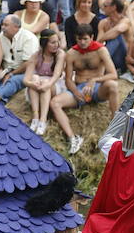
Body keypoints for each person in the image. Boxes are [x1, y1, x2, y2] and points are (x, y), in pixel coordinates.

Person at [50, 24, 119, 155]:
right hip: (80, 89)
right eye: (79, 39)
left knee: (113, 86)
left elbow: (113, 75)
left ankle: (115, 126)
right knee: (55, 103)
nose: (82, 42)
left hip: (97, 88)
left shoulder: (101, 50)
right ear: (76, 38)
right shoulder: (71, 53)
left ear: (92, 37)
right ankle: (73, 138)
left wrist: (94, 80)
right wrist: (76, 92)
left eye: (85, 39)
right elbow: (68, 79)